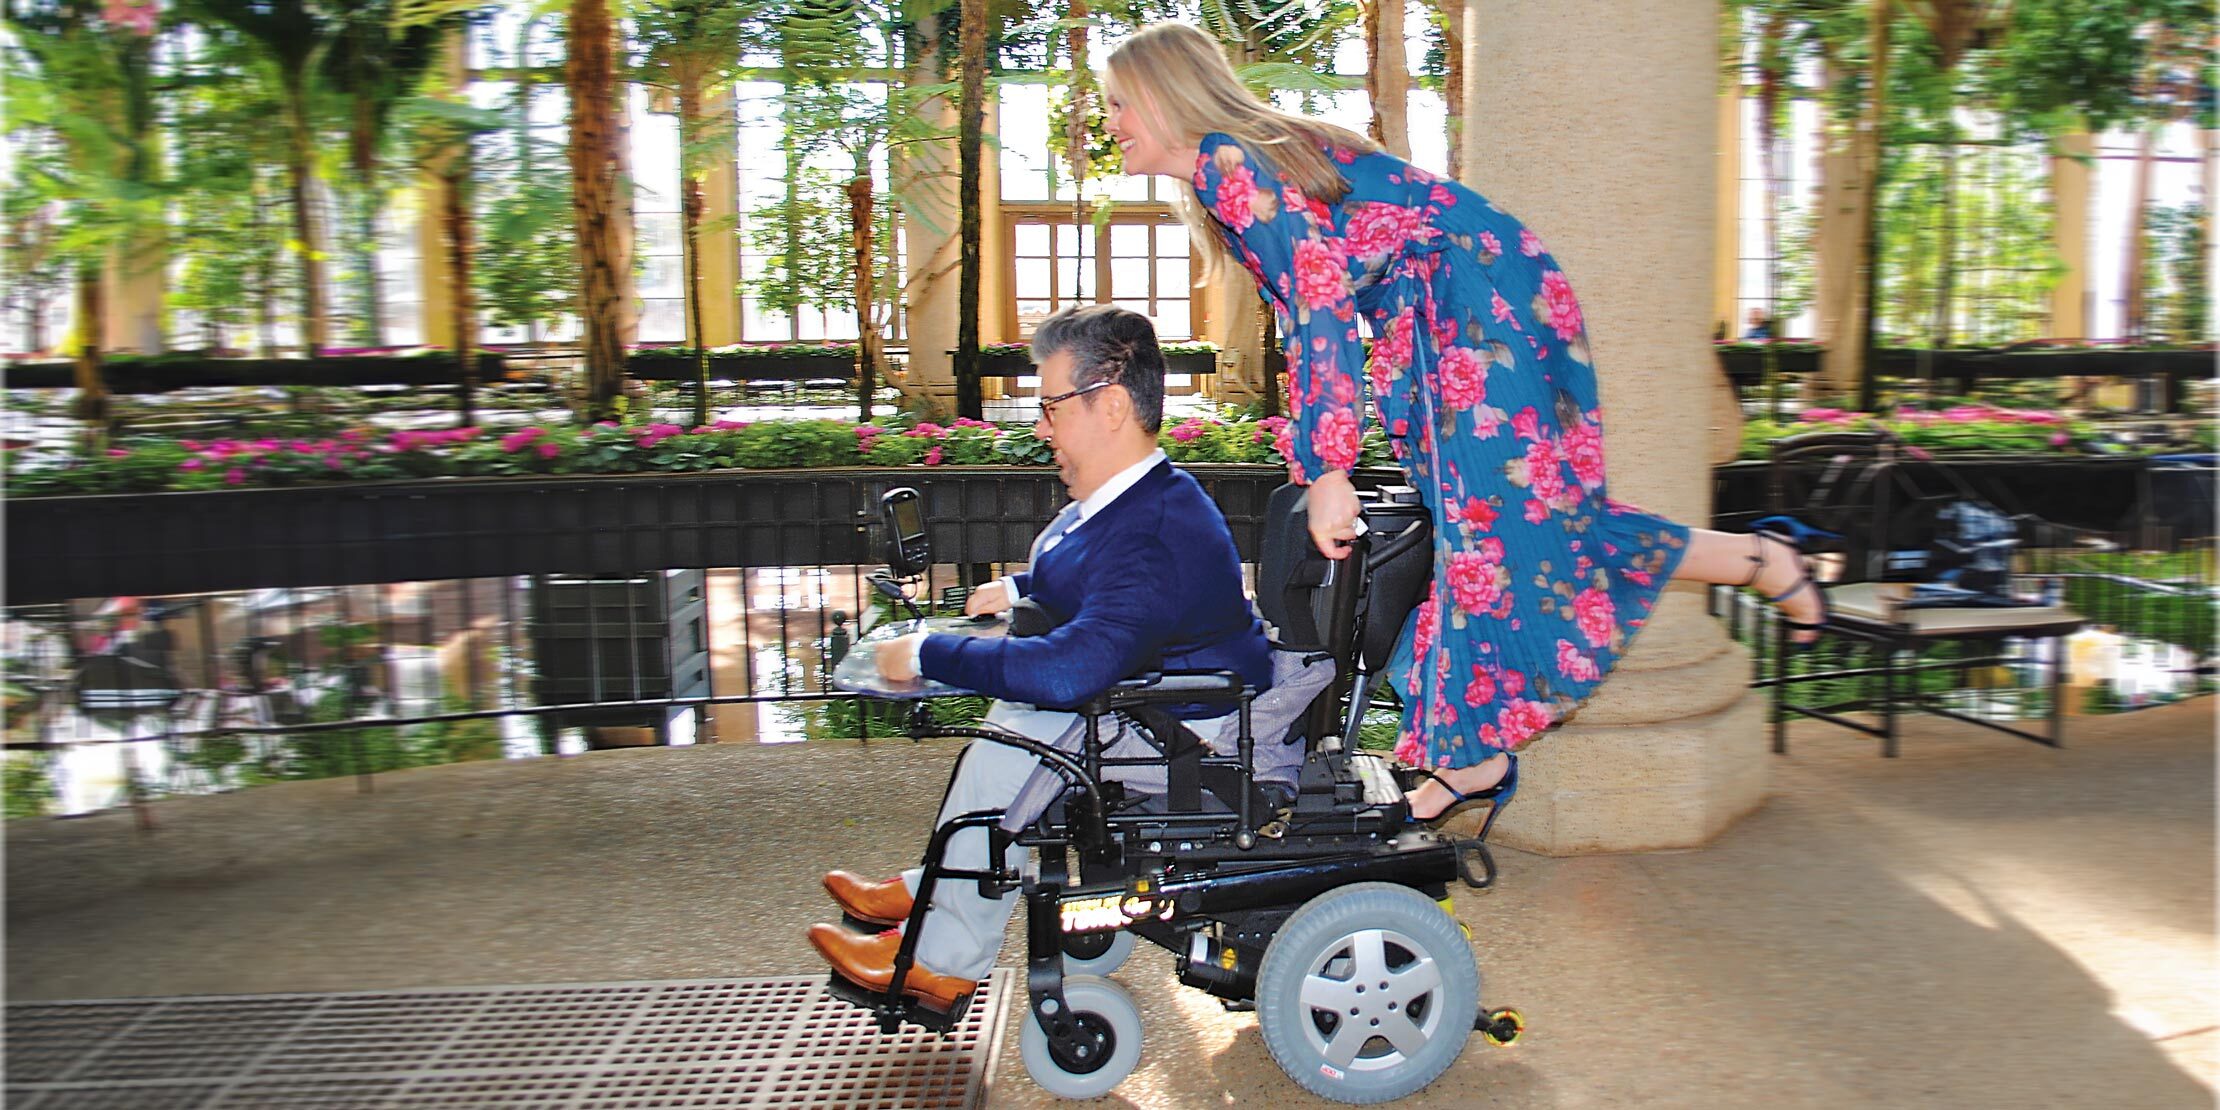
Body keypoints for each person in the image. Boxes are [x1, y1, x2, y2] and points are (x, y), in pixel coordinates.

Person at [1102, 24, 1827, 821]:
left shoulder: (1228, 161)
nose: (1108, 124)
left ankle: (1472, 758)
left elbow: (1320, 307)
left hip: (1474, 303)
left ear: (1161, 95)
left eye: (1116, 104)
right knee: (1528, 527)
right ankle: (1759, 561)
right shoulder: (1235, 168)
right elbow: (1323, 296)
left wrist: (1329, 468)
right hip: (1462, 302)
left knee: (1492, 528)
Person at [809, 304, 1275, 1009]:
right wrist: (1018, 587)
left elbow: (1072, 669)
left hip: (1184, 727)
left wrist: (935, 653)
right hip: (1157, 697)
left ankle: (940, 964)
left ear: (1111, 404)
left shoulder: (1149, 527)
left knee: (1007, 750)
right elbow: (1094, 579)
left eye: (1052, 406)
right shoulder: (1135, 499)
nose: (1040, 427)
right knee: (1007, 731)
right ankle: (928, 890)